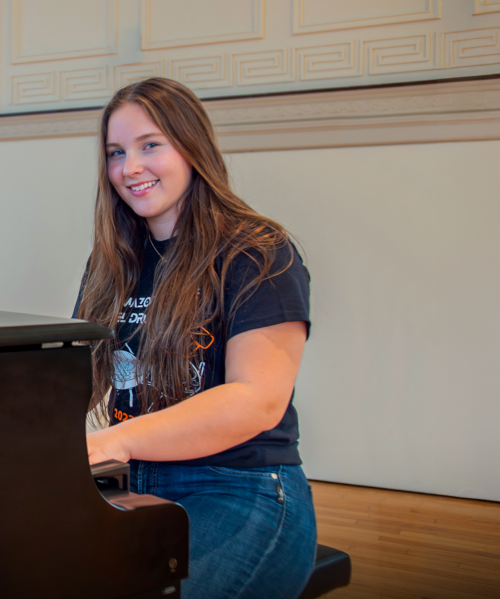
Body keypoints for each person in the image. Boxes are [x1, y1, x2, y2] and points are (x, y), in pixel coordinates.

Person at [73, 77, 317, 598]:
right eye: (116, 152)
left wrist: (115, 439)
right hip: (136, 483)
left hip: (240, 488)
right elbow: (70, 379)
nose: (129, 168)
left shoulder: (257, 249)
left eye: (150, 145)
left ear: (192, 146)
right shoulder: (111, 263)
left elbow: (257, 400)